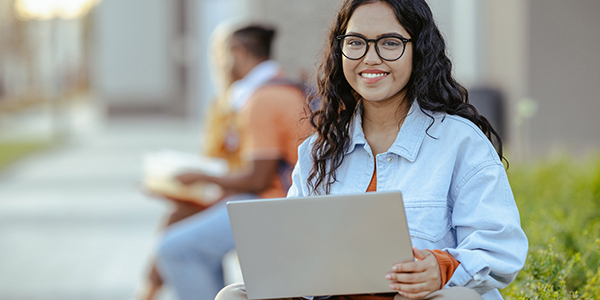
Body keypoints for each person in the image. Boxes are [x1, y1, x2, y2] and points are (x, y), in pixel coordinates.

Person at [215, 1, 528, 300]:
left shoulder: (460, 142)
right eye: (355, 42)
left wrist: (441, 268)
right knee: (234, 295)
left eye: (389, 42)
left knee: (456, 297)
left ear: (417, 50)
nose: (370, 58)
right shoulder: (317, 150)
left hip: (413, 299)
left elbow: (499, 249)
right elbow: (292, 255)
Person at [154, 23, 311, 300]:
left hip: (273, 204)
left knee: (174, 248)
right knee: (183, 223)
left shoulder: (262, 100)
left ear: (238, 52)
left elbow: (258, 179)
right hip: (286, 198)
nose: (220, 64)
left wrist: (201, 177)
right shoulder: (286, 87)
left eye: (222, 55)